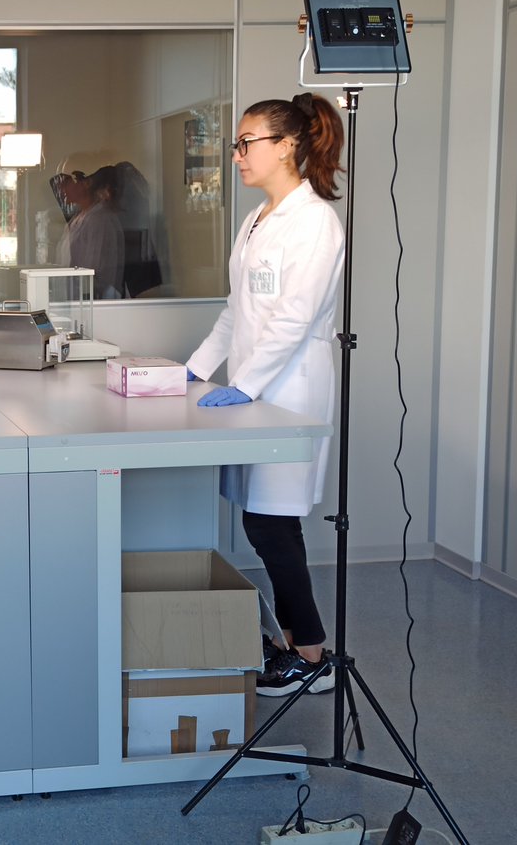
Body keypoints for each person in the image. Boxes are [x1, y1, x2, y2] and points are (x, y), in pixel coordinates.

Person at [185, 92, 346, 697]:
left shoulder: (315, 222)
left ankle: (310, 655)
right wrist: (196, 370)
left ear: (288, 146)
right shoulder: (258, 219)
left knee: (271, 523)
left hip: (290, 388)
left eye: (247, 142)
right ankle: (295, 643)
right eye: (237, 144)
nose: (237, 155)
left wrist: (245, 385)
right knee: (264, 522)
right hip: (254, 388)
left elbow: (294, 320)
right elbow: (238, 311)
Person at [53, 167, 125, 299]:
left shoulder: (100, 219)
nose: (61, 190)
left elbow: (94, 273)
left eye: (67, 183)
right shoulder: (78, 218)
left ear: (85, 183)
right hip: (75, 298)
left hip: (93, 301)